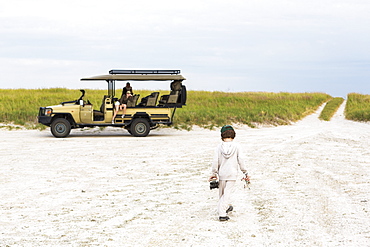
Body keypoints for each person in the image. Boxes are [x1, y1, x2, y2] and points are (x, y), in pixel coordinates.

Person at [209, 125, 250, 221]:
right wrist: (245, 171)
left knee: (222, 193)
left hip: (222, 173)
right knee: (227, 193)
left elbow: (215, 161)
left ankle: (224, 207)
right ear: (233, 135)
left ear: (222, 135)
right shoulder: (237, 146)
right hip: (232, 173)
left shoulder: (219, 147)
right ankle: (222, 213)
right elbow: (241, 160)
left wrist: (214, 173)